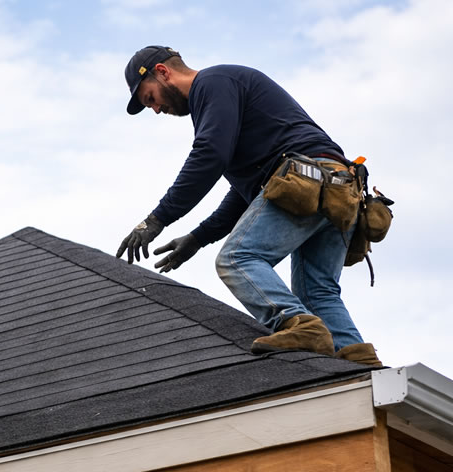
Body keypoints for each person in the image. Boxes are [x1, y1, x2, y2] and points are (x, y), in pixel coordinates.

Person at [117, 46, 380, 367]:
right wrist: (197, 238)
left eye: (150, 98)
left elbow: (210, 154)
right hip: (339, 189)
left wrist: (156, 219)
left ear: (162, 71)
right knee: (317, 292)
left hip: (307, 180)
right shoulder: (225, 91)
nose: (156, 109)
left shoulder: (212, 84)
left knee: (237, 259)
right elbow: (245, 193)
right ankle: (361, 365)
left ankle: (299, 326)